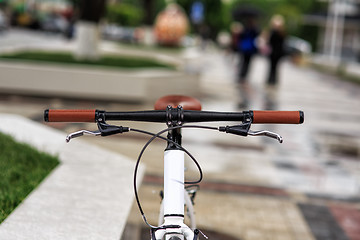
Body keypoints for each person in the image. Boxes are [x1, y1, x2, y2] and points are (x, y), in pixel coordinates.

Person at [237, 18, 259, 83]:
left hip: (250, 48)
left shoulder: (253, 30)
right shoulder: (245, 29)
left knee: (247, 62)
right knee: (243, 61)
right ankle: (242, 74)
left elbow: (256, 35)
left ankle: (244, 75)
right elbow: (241, 37)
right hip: (245, 47)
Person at [266, 15, 286, 85]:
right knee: (271, 66)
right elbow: (269, 41)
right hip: (273, 52)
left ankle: (273, 80)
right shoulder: (273, 31)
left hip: (278, 53)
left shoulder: (281, 32)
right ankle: (270, 80)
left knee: (275, 67)